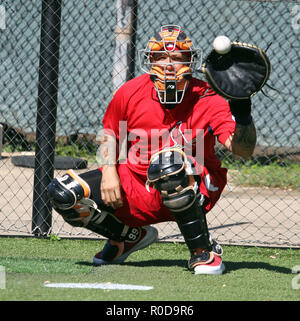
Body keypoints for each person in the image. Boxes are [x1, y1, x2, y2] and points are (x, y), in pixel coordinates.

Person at [48, 25, 256, 275]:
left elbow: (242, 150)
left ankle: (203, 252)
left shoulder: (206, 96)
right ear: (150, 59)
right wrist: (110, 172)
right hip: (138, 184)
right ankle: (127, 237)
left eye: (178, 58)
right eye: (161, 57)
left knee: (168, 164)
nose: (169, 65)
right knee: (63, 193)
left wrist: (243, 111)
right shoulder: (130, 91)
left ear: (190, 61)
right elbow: (110, 134)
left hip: (194, 183)